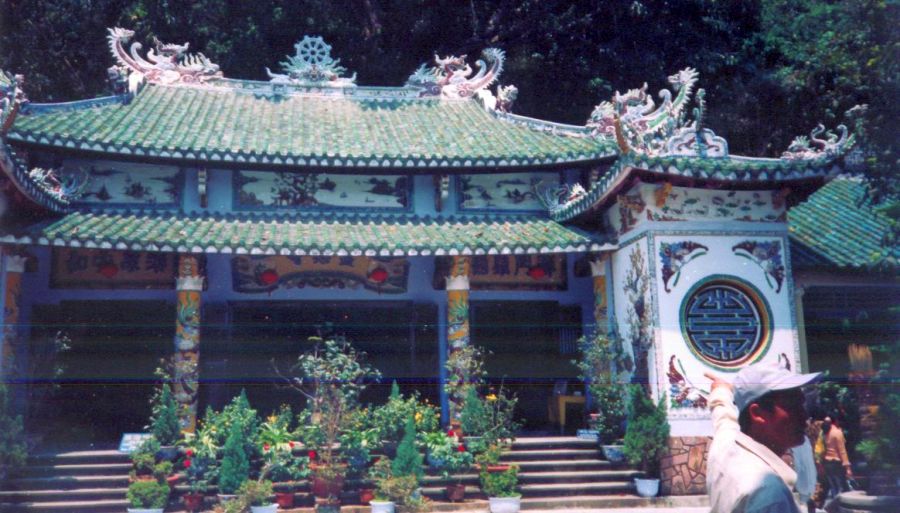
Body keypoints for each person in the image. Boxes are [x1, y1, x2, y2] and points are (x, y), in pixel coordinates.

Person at [705, 363, 821, 513]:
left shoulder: (726, 443)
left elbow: (722, 415)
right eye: (793, 406)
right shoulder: (771, 497)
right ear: (757, 414)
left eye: (802, 405)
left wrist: (721, 389)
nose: (804, 415)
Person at [821, 416, 852, 499]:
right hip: (836, 463)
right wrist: (848, 467)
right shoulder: (837, 433)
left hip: (827, 462)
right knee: (841, 488)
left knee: (833, 488)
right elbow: (842, 451)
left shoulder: (824, 432)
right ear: (836, 421)